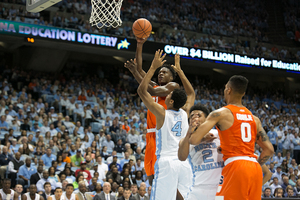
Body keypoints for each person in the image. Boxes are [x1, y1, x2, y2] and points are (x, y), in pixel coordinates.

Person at [189, 75, 275, 200]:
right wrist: (254, 165)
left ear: (228, 89)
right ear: (243, 93)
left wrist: (201, 135)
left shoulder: (220, 113)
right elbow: (269, 150)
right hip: (255, 169)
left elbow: (194, 140)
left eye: (225, 89)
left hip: (236, 166)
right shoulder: (254, 119)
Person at [137, 51, 194, 200]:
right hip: (182, 162)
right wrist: (181, 71)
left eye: (168, 96)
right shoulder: (185, 112)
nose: (167, 96)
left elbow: (142, 91)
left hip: (167, 160)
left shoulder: (162, 114)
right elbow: (192, 93)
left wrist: (152, 68)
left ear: (171, 101)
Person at [125, 40, 179, 186]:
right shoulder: (154, 85)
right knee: (151, 177)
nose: (160, 74)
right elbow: (141, 69)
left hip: (163, 134)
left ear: (171, 77)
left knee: (162, 176)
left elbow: (152, 90)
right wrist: (140, 44)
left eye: (164, 72)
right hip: (150, 135)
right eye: (159, 72)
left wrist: (137, 72)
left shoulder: (173, 86)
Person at [178, 103, 223, 200]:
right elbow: (181, 157)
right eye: (191, 116)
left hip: (220, 187)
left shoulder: (218, 134)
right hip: (198, 187)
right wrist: (190, 133)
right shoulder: (185, 140)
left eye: (199, 115)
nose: (194, 118)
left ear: (207, 119)